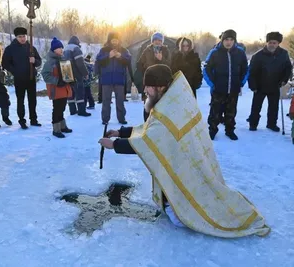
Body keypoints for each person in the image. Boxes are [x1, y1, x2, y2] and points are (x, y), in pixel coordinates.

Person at [98, 64, 270, 238]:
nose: (145, 90)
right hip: (184, 160)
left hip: (185, 165)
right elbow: (150, 129)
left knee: (178, 220)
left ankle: (183, 207)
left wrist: (115, 145)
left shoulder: (169, 108)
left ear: (160, 87)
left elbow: (150, 142)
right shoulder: (170, 99)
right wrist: (121, 132)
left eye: (148, 86)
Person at [204, 29, 248, 141]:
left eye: (231, 40)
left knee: (231, 112)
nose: (228, 42)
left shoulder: (240, 53)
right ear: (222, 40)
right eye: (226, 39)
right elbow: (206, 69)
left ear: (234, 41)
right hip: (218, 89)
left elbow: (246, 69)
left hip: (233, 89)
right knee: (215, 112)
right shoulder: (215, 52)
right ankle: (212, 130)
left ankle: (230, 130)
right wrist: (212, 84)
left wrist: (241, 82)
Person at [247, 32, 293, 132]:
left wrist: (284, 80)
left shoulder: (283, 54)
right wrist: (253, 85)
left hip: (275, 85)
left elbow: (288, 68)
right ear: (267, 42)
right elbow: (251, 72)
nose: (272, 45)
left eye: (275, 43)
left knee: (274, 107)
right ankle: (253, 124)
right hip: (259, 86)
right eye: (270, 42)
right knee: (256, 107)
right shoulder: (258, 55)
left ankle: (272, 124)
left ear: (278, 43)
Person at [2, 27, 42, 129]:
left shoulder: (31, 48)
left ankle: (33, 119)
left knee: (32, 100)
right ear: (16, 37)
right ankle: (22, 120)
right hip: (19, 79)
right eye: (20, 37)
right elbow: (5, 63)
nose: (22, 38)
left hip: (31, 78)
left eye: (24, 36)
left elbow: (39, 61)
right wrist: (15, 71)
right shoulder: (10, 49)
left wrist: (34, 61)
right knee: (21, 101)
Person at [96, 32, 131, 125]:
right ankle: (105, 119)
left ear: (119, 40)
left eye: (116, 39)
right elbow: (99, 60)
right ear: (109, 40)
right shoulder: (103, 50)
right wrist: (108, 56)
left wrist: (120, 57)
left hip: (119, 79)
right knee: (106, 101)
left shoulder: (124, 50)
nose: (115, 41)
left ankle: (121, 118)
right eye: (113, 39)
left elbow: (128, 61)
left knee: (120, 101)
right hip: (106, 79)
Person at [41, 37, 73, 138]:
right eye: (59, 48)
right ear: (54, 49)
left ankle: (62, 126)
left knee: (62, 108)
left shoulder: (63, 59)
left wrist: (70, 79)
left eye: (62, 48)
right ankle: (56, 129)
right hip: (56, 90)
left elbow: (67, 74)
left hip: (63, 89)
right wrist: (57, 81)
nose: (61, 49)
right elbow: (45, 75)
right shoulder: (50, 61)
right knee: (57, 109)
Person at [136, 32, 171, 121]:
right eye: (155, 40)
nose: (157, 42)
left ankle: (160, 125)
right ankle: (147, 124)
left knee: (161, 105)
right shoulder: (147, 50)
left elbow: (170, 66)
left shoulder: (166, 51)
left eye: (159, 40)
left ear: (162, 41)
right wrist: (147, 70)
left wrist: (161, 59)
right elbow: (139, 64)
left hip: (161, 83)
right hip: (149, 82)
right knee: (147, 104)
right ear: (152, 41)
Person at [63, 36, 91, 117]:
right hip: (76, 74)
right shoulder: (76, 49)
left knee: (70, 93)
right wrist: (85, 73)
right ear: (77, 42)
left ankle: (72, 110)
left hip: (66, 73)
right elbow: (80, 63)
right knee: (79, 91)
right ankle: (81, 111)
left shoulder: (65, 49)